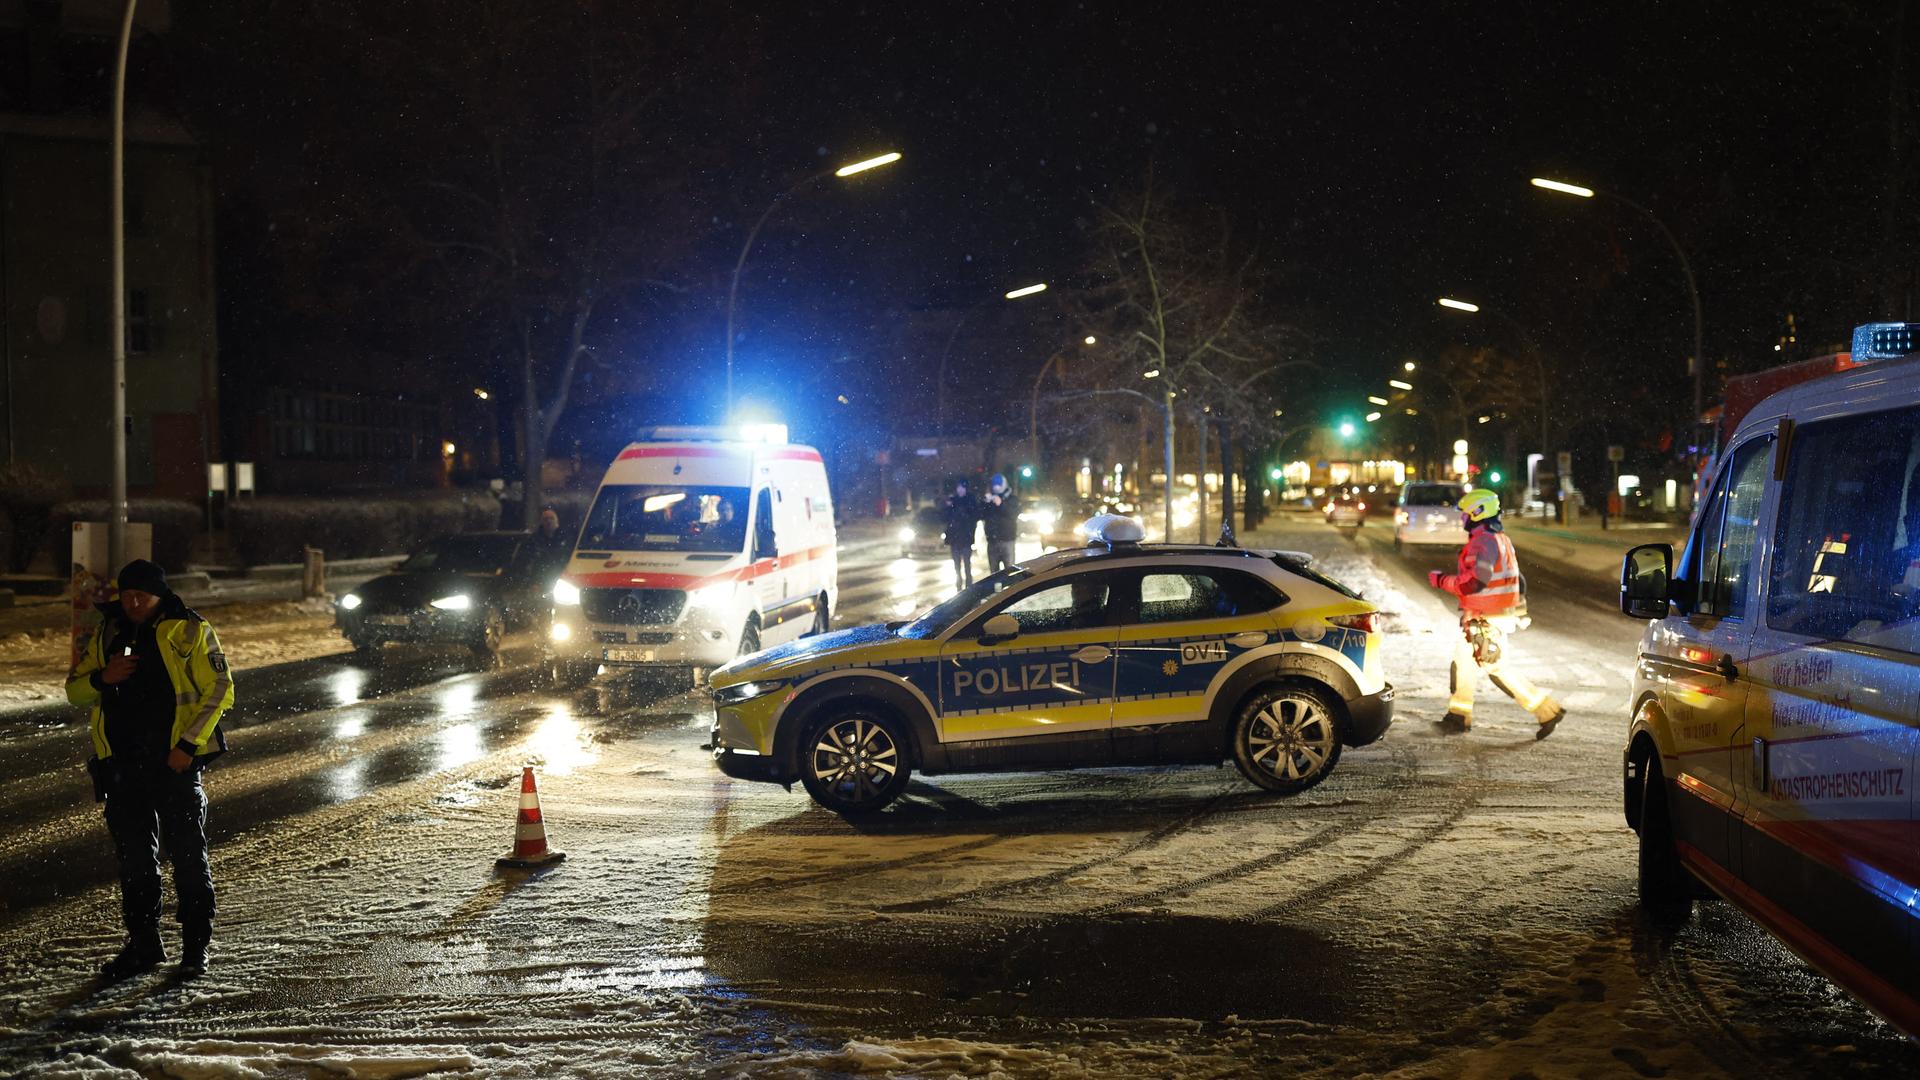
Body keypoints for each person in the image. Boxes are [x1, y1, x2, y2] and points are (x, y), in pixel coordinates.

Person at [66, 560, 234, 979]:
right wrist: (104, 677)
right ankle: (144, 944)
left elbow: (220, 690)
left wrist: (187, 746)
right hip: (120, 767)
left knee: (188, 857)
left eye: (143, 595)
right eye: (127, 595)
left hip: (173, 764)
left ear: (161, 595)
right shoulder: (107, 632)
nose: (134, 602)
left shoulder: (190, 629)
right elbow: (74, 691)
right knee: (135, 861)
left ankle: (195, 947)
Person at [1426, 489, 1566, 739]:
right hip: (1487, 616)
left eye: (1465, 515)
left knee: (1498, 668)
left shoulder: (1483, 542)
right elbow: (1518, 580)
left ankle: (1547, 710)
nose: (1462, 520)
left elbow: (1475, 582)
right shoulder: (1500, 538)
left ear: (1477, 513)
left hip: (1487, 618)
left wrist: (1441, 580)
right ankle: (1458, 717)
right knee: (1463, 663)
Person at [980, 473, 1021, 573]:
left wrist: (1001, 504)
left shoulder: (1012, 499)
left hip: (1007, 541)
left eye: (998, 485)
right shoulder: (990, 500)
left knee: (1010, 572)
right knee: (994, 575)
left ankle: (1011, 589)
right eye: (994, 485)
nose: (996, 487)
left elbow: (1013, 514)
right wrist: (985, 503)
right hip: (992, 541)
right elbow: (981, 515)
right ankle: (997, 589)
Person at [943, 480, 979, 588]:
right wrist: (948, 505)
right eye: (958, 487)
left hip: (966, 538)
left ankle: (969, 587)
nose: (960, 489)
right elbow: (945, 518)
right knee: (956, 566)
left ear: (966, 488)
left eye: (962, 487)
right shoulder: (952, 501)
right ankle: (959, 586)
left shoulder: (970, 500)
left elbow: (972, 518)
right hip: (955, 539)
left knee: (967, 565)